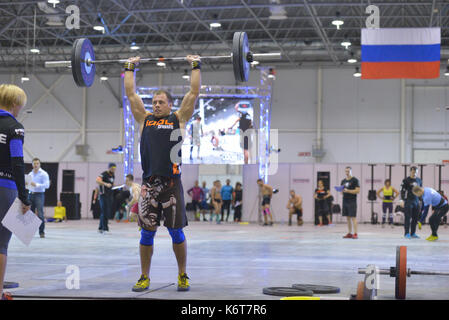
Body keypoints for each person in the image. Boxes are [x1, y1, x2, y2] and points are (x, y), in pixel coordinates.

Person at [125, 54, 200, 292]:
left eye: (161, 102)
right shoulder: (144, 119)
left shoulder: (178, 119)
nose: (156, 104)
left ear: (169, 104)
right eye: (154, 101)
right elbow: (131, 94)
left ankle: (182, 275)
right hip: (149, 185)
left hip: (172, 183)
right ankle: (144, 276)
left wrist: (195, 65)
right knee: (146, 234)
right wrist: (130, 67)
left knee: (176, 231)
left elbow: (194, 93)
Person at [0, 84, 30, 300]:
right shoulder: (14, 127)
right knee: (1, 243)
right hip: (5, 187)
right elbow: (17, 164)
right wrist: (24, 196)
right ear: (14, 103)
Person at [27, 158, 50, 238]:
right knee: (30, 214)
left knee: (40, 214)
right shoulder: (30, 174)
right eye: (34, 163)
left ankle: (41, 232)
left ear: (39, 164)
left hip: (39, 194)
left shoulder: (44, 174)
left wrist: (36, 185)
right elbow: (28, 185)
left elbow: (47, 185)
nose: (36, 165)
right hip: (30, 194)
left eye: (37, 163)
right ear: (32, 164)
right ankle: (30, 232)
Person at [399, 166, 422, 239]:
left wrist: (421, 200)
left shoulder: (419, 180)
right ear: (410, 172)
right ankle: (406, 233)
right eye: (413, 172)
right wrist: (401, 200)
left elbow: (420, 191)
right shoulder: (406, 180)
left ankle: (413, 233)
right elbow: (402, 190)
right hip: (409, 201)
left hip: (416, 201)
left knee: (415, 218)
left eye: (416, 172)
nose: (414, 173)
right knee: (408, 218)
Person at [340, 167, 360, 239]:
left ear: (351, 171)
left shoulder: (355, 180)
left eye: (348, 171)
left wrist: (348, 191)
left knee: (353, 218)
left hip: (352, 201)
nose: (347, 173)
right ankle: (349, 233)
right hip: (345, 201)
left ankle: (355, 233)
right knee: (347, 218)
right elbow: (342, 192)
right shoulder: (343, 181)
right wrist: (341, 191)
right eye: (346, 171)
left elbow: (357, 191)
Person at [96, 163, 116, 234]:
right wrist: (105, 184)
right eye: (112, 168)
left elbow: (111, 184)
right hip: (103, 195)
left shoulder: (113, 175)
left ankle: (100, 228)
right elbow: (97, 180)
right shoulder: (104, 174)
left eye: (114, 168)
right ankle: (105, 228)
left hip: (109, 195)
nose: (114, 169)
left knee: (105, 212)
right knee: (104, 212)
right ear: (109, 168)